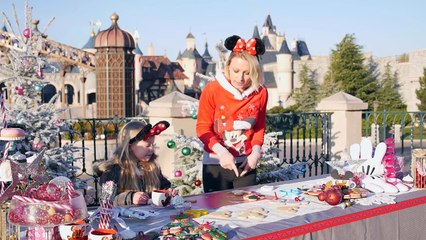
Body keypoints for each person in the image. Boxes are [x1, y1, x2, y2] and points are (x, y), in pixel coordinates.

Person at [196, 35, 268, 193]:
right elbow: (203, 128)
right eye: (236, 71)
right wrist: (221, 152)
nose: (240, 78)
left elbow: (259, 126)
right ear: (228, 66)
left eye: (247, 73)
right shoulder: (212, 90)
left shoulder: (261, 92)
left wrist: (255, 152)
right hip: (216, 163)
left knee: (246, 210)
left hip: (246, 164)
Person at [95, 120, 177, 206]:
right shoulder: (113, 171)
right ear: (129, 146)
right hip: (123, 218)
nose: (152, 149)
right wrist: (130, 198)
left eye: (153, 145)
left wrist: (168, 191)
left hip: (150, 217)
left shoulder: (152, 167)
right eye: (147, 145)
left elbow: (163, 186)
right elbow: (106, 200)